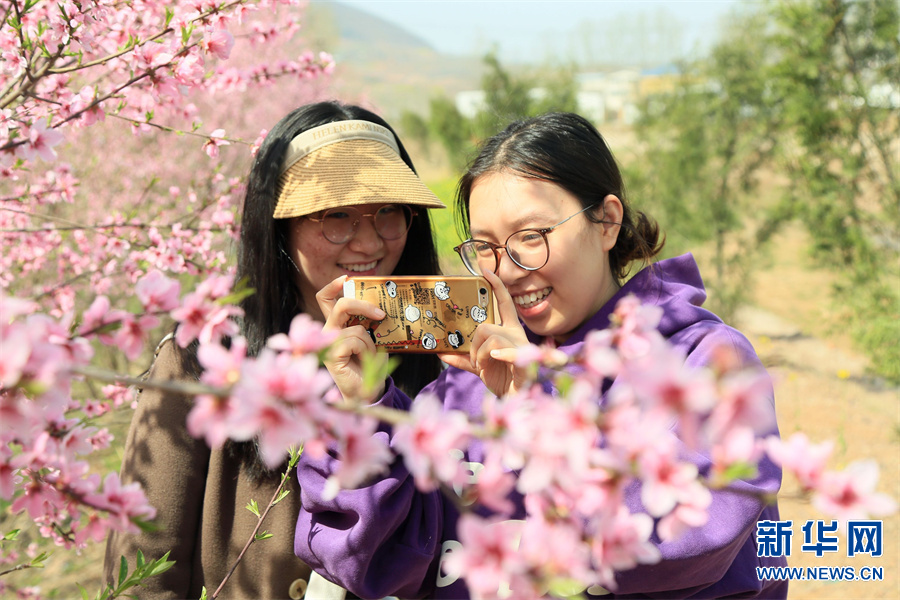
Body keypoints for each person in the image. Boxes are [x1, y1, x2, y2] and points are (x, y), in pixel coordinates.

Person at [294, 112, 789, 598]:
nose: (507, 270)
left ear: (607, 222)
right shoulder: (467, 382)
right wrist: (365, 408)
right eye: (484, 247)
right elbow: (376, 559)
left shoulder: (703, 362)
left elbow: (687, 544)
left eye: (531, 236)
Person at [103, 100, 446, 599]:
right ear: (279, 227)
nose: (369, 242)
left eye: (389, 212)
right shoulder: (205, 361)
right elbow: (144, 570)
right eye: (337, 216)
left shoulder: (439, 363)